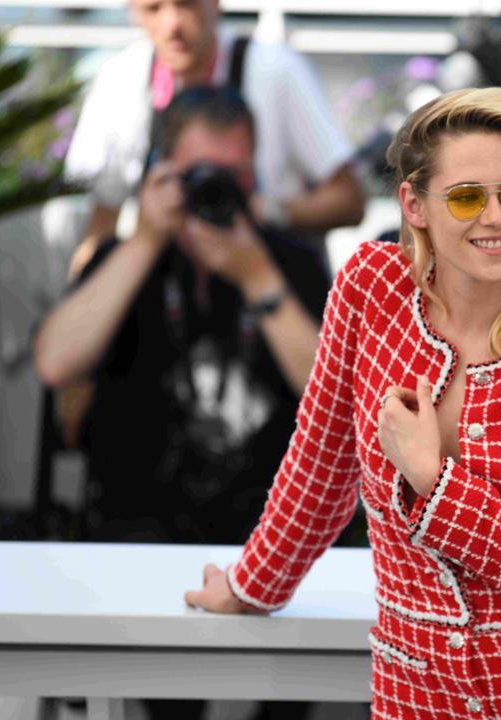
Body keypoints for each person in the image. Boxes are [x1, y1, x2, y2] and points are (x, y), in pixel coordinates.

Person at [186, 86, 501, 720]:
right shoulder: (371, 289)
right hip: (412, 695)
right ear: (414, 204)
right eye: (465, 197)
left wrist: (433, 478)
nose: (496, 218)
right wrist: (252, 587)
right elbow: (322, 461)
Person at [34, 86, 328, 547]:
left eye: (234, 175)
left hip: (270, 542)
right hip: (133, 537)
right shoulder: (126, 259)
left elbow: (340, 400)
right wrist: (146, 241)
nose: (215, 189)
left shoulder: (292, 264)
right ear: (162, 173)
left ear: (254, 176)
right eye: (199, 175)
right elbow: (54, 363)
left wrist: (258, 279)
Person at [64, 0, 364, 274]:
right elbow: (101, 224)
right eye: (153, 8)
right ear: (133, 11)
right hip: (168, 298)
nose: (172, 25)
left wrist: (269, 211)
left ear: (216, 4)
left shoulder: (274, 70)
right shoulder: (120, 82)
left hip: (270, 279)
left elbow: (350, 200)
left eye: (186, 4)